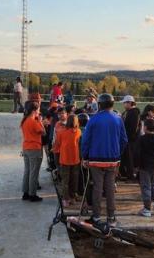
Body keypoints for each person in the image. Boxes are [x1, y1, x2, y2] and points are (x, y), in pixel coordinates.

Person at [80, 93, 128, 227]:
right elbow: (124, 140)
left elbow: (86, 140)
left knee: (97, 188)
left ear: (99, 104)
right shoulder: (118, 119)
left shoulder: (93, 119)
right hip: (112, 160)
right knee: (110, 188)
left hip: (95, 160)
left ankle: (96, 217)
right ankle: (111, 217)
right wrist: (117, 154)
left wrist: (85, 157)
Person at [53, 114, 82, 206]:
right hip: (75, 159)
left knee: (65, 180)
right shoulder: (78, 131)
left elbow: (57, 144)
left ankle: (65, 199)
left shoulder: (61, 132)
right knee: (74, 179)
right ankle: (72, 197)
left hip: (64, 159)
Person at [20, 101, 45, 202]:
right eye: (38, 110)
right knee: (34, 172)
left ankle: (25, 192)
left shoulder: (25, 120)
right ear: (35, 110)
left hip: (26, 147)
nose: (39, 112)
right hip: (34, 148)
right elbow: (43, 132)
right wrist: (40, 121)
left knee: (27, 171)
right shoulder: (33, 121)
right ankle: (32, 194)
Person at [119, 95, 141, 180]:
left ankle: (130, 175)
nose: (124, 105)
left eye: (125, 103)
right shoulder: (127, 112)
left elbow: (133, 128)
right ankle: (125, 173)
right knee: (126, 157)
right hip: (127, 139)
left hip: (130, 140)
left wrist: (128, 138)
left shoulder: (134, 112)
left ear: (130, 103)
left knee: (129, 158)